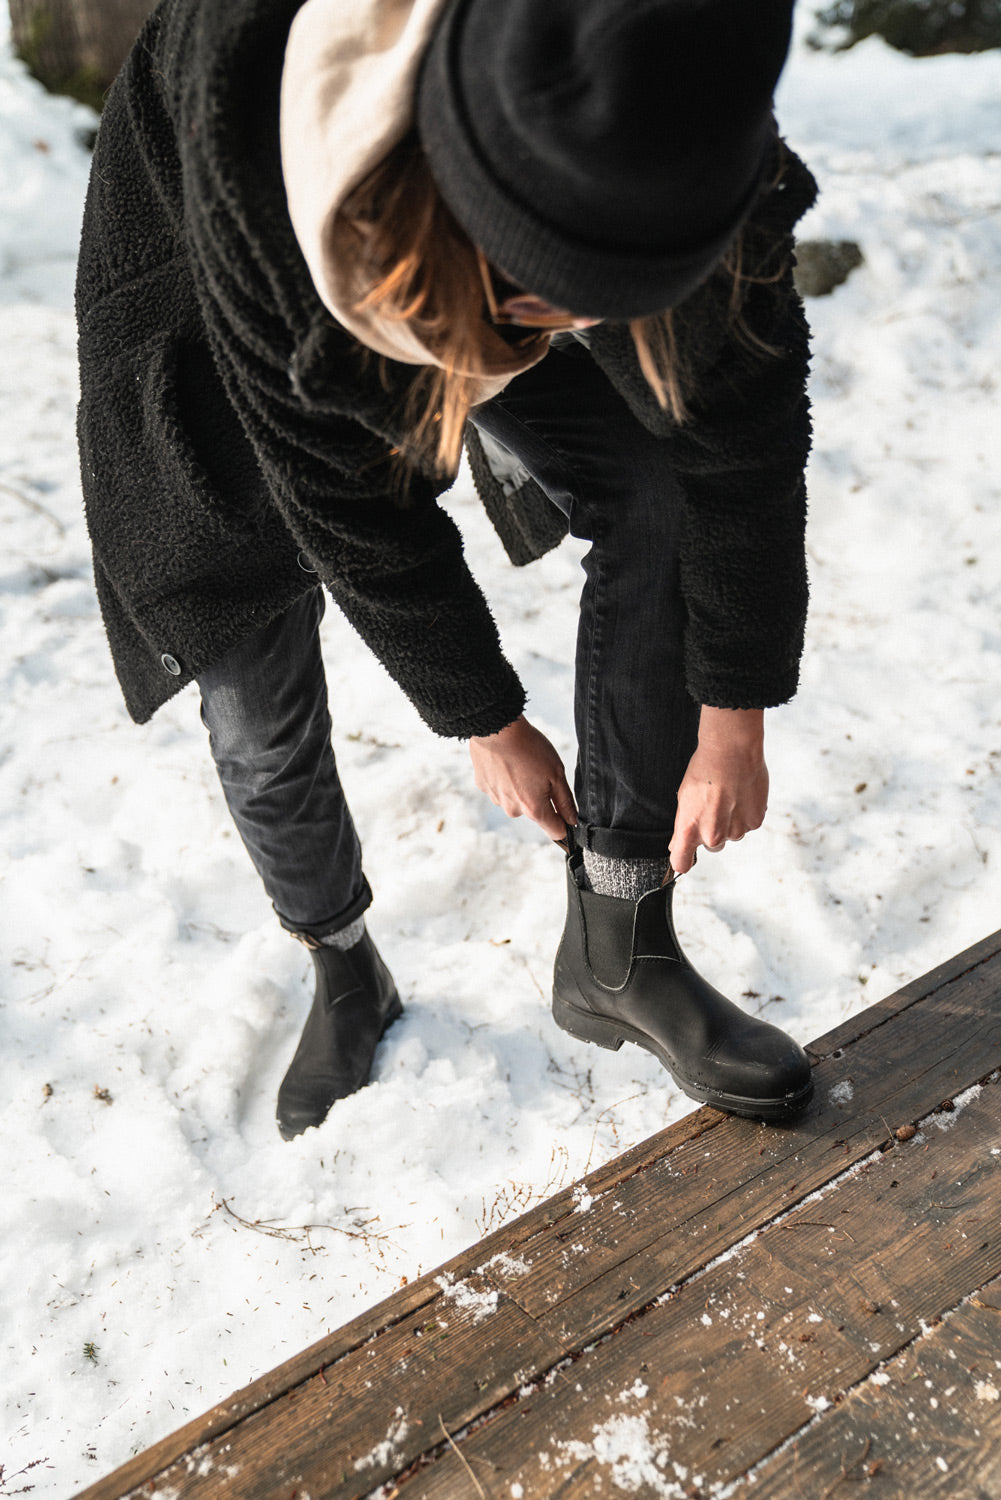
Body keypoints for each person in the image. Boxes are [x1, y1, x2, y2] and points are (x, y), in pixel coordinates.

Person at [76, 0, 818, 1141]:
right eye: (535, 305)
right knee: (254, 708)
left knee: (661, 486)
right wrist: (483, 717)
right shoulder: (260, 127)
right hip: (224, 272)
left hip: (511, 201)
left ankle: (619, 942)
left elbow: (745, 441)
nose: (563, 331)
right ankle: (339, 967)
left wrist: (734, 715)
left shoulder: (684, 106)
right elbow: (347, 504)